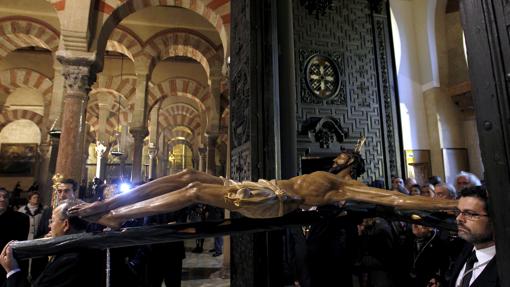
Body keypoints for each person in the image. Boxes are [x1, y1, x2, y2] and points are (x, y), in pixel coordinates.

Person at [69, 142, 458, 228]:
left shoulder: (345, 187)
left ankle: (117, 214)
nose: (337, 156)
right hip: (260, 186)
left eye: (342, 155)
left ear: (351, 163)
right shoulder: (327, 175)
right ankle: (108, 207)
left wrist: (449, 206)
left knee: (191, 193)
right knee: (188, 176)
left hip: (269, 199)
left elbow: (392, 199)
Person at [0, 199, 103, 287]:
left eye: (52, 221)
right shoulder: (87, 247)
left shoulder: (69, 259)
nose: (50, 226)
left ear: (65, 224)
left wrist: (13, 271)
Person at [449, 186, 499, 287]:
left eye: (469, 214)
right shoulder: (464, 246)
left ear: (494, 219)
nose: (459, 219)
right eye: (458, 212)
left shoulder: (504, 266)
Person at [0, 188, 29, 286]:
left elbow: (21, 245)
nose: (2, 199)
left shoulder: (21, 219)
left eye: (5, 197)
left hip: (10, 265)